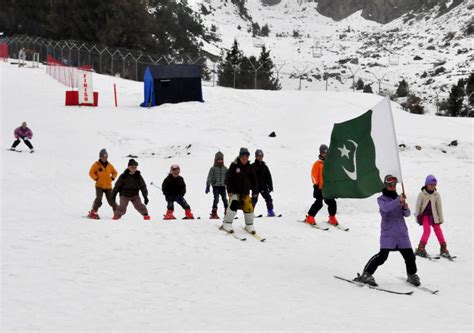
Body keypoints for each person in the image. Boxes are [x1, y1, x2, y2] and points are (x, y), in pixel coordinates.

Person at [355, 175, 420, 287]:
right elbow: (386, 208)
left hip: (401, 233)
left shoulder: (399, 198)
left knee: (409, 256)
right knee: (382, 256)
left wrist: (404, 206)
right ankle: (366, 274)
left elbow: (407, 214)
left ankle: (412, 275)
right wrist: (398, 200)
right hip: (388, 232)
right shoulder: (381, 199)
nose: (392, 186)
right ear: (385, 185)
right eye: (390, 185)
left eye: (394, 185)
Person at [221, 147, 258, 234]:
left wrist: (255, 191)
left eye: (247, 156)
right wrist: (229, 191)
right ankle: (227, 223)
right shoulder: (234, 165)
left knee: (249, 206)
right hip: (234, 191)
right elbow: (228, 179)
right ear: (240, 156)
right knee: (233, 204)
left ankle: (249, 224)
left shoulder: (249, 167)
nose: (245, 158)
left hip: (245, 192)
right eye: (243, 156)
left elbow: (254, 180)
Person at [414, 175, 451, 258]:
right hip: (425, 216)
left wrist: (440, 218)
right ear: (426, 184)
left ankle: (443, 248)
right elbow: (418, 206)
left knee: (438, 230)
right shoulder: (422, 194)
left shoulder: (436, 195)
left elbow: (439, 207)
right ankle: (421, 248)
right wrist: (417, 216)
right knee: (427, 231)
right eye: (431, 184)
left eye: (434, 185)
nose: (432, 186)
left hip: (434, 216)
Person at [304, 144, 338, 226]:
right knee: (319, 203)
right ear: (321, 153)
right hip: (320, 188)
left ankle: (332, 218)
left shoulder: (330, 164)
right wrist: (316, 186)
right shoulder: (317, 164)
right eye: (324, 152)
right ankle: (310, 217)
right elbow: (314, 175)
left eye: (327, 152)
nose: (325, 154)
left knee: (332, 203)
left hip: (328, 188)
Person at [87, 149, 118, 219]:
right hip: (99, 186)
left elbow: (115, 172)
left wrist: (112, 178)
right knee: (98, 199)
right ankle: (93, 212)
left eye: (106, 157)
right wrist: (96, 178)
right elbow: (91, 173)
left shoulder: (109, 165)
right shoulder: (96, 165)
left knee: (111, 200)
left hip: (108, 186)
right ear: (100, 157)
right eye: (103, 157)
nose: (104, 158)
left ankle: (117, 212)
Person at [252, 149, 275, 216]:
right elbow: (248, 177)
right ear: (256, 156)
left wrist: (270, 187)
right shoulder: (252, 166)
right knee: (254, 200)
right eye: (258, 156)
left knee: (268, 198)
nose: (260, 157)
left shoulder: (264, 167)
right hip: (255, 187)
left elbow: (269, 177)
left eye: (261, 156)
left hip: (263, 187)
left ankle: (270, 211)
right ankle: (250, 213)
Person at [206, 151, 228, 219]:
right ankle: (214, 212)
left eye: (221, 159)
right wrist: (208, 185)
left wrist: (228, 185)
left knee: (225, 199)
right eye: (218, 159)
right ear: (216, 160)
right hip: (216, 187)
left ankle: (227, 212)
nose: (220, 161)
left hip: (223, 187)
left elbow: (228, 177)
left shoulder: (225, 168)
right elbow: (209, 177)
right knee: (216, 199)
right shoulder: (213, 169)